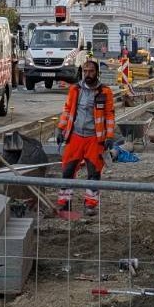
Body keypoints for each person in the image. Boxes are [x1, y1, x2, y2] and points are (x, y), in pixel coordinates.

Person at [55, 59, 116, 215]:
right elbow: (67, 110)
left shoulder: (105, 92)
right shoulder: (75, 89)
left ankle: (90, 204)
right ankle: (64, 202)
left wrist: (109, 136)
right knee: (67, 171)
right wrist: (60, 129)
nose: (88, 74)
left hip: (95, 139)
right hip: (75, 136)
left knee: (94, 173)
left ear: (97, 73)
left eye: (91, 71)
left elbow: (109, 115)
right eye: (85, 71)